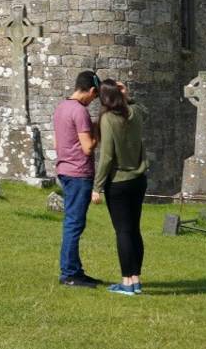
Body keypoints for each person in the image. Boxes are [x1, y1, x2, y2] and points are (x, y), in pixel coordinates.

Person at [91, 77, 148, 296]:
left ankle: (126, 282)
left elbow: (106, 156)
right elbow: (146, 112)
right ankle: (136, 280)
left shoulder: (107, 119)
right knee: (134, 229)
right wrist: (128, 95)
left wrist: (97, 187)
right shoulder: (134, 113)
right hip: (139, 180)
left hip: (119, 182)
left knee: (123, 231)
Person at [53, 69, 103, 286]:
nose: (94, 100)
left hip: (64, 170)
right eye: (95, 96)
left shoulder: (61, 108)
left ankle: (75, 270)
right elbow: (87, 147)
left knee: (72, 222)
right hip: (79, 173)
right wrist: (99, 132)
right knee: (74, 224)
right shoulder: (80, 112)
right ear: (91, 90)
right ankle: (69, 273)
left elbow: (57, 144)